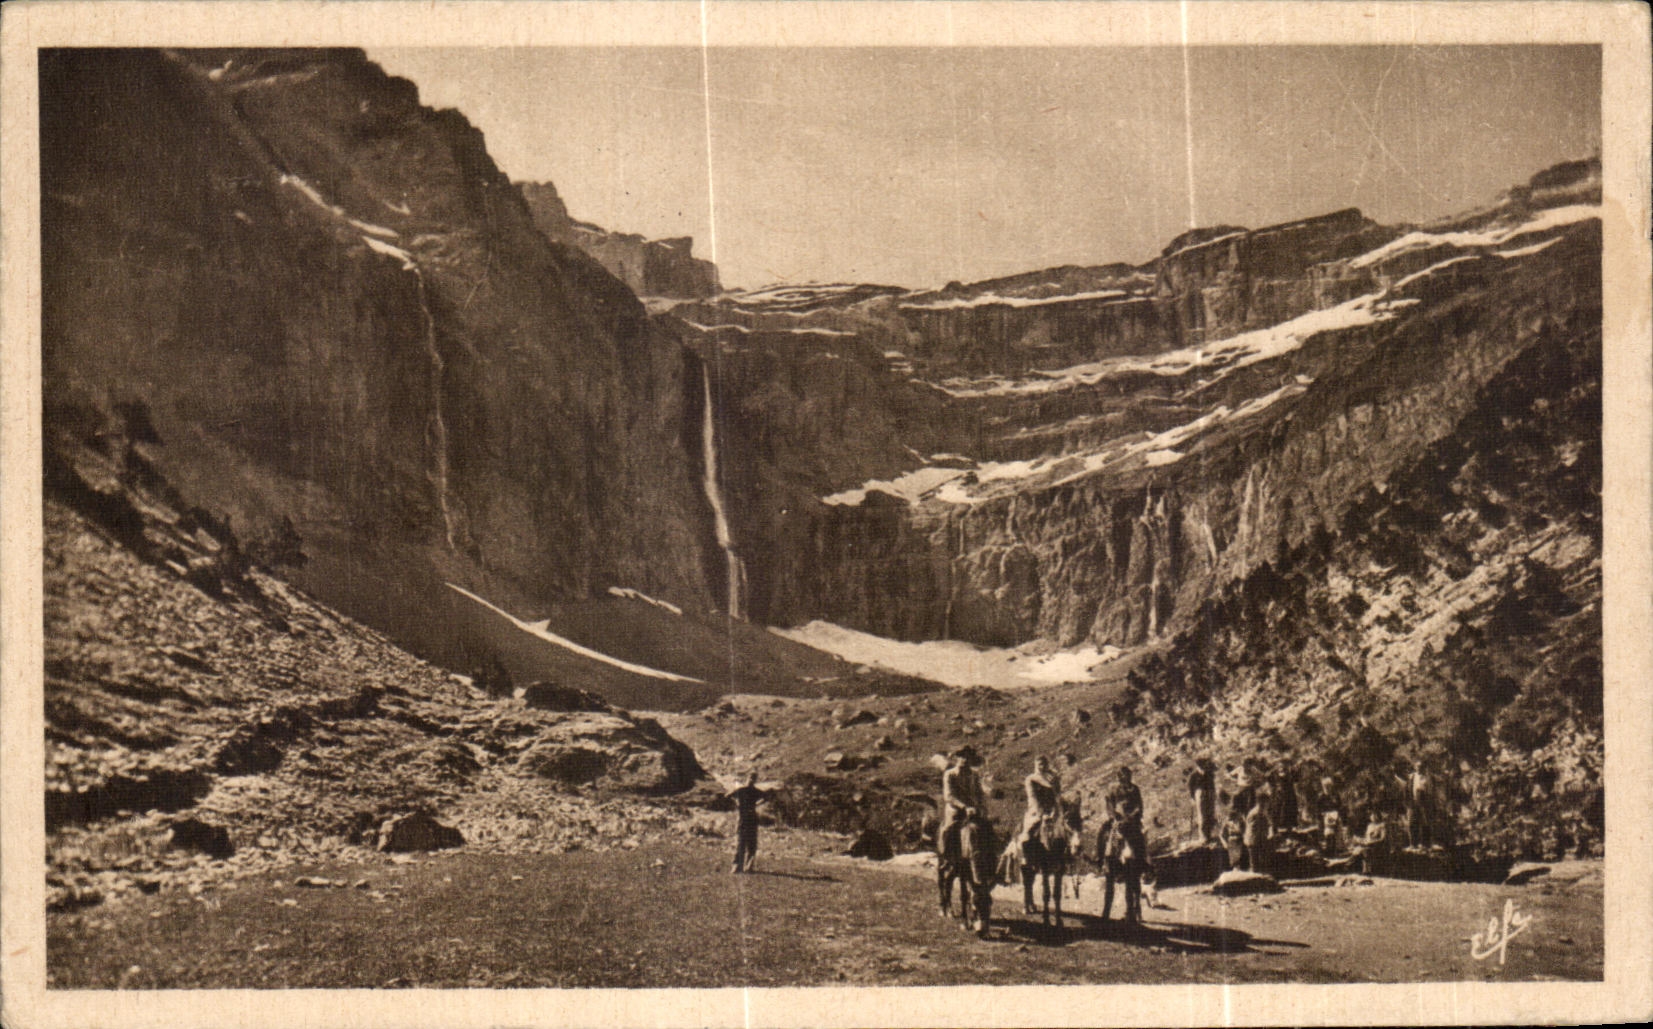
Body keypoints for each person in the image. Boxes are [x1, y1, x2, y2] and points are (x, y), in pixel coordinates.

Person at [1017, 756, 1064, 913]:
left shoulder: (1053, 778)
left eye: (1044, 763)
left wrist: (1055, 813)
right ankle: (1026, 858)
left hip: (1052, 813)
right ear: (1035, 764)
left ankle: (1064, 859)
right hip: (1036, 813)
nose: (1042, 765)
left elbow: (1057, 797)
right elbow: (1033, 798)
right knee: (1028, 835)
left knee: (1064, 834)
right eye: (1039, 763)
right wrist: (1041, 814)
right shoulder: (1031, 779)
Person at [938, 746, 986, 865]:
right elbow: (948, 796)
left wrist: (981, 806)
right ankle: (946, 857)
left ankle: (988, 862)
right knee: (949, 830)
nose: (964, 759)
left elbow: (979, 793)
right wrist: (964, 807)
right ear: (957, 758)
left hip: (972, 811)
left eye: (968, 756)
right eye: (962, 756)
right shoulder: (950, 774)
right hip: (956, 811)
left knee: (987, 829)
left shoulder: (974, 774)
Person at [727, 772, 775, 874]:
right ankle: (737, 867)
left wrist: (756, 804)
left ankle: (748, 867)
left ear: (755, 780)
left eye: (753, 778)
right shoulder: (742, 790)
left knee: (751, 844)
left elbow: (767, 797)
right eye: (750, 778)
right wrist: (737, 803)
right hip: (743, 819)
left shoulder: (754, 791)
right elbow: (728, 795)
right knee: (740, 843)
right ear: (747, 778)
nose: (751, 780)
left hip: (751, 819)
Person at [1186, 757, 1217, 844]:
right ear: (1198, 766)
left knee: (1210, 814)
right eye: (1201, 766)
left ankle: (1209, 834)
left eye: (1204, 765)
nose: (1203, 767)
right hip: (1199, 795)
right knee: (1202, 816)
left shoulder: (1209, 774)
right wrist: (1192, 798)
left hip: (1209, 794)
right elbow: (1191, 788)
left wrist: (1213, 794)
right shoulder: (1194, 776)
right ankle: (1203, 837)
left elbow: (1212, 785)